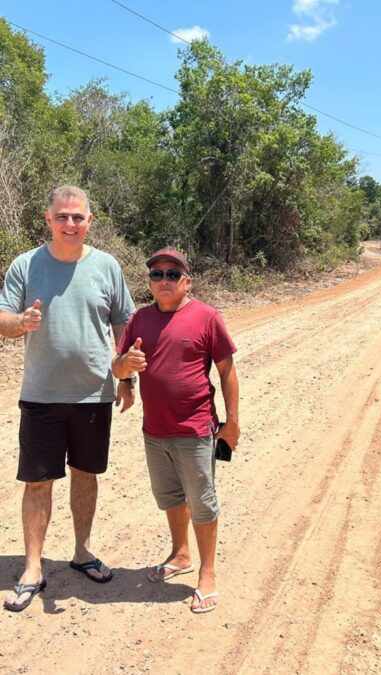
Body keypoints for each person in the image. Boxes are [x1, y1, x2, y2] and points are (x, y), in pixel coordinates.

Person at [0, 186, 135, 612]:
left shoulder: (107, 266)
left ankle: (82, 551)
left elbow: (124, 326)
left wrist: (128, 380)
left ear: (90, 221)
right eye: (62, 216)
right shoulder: (26, 265)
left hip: (94, 395)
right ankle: (33, 567)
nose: (70, 224)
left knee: (85, 475)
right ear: (48, 219)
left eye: (78, 217)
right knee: (37, 481)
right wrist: (21, 322)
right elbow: (2, 318)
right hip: (41, 395)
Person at [113, 246, 239, 614]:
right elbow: (119, 369)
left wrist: (231, 424)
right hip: (154, 431)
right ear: (149, 281)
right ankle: (180, 553)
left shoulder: (207, 317)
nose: (163, 280)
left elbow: (227, 372)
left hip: (196, 429)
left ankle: (208, 572)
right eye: (157, 274)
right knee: (169, 498)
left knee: (202, 502)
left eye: (172, 274)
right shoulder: (138, 320)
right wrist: (125, 365)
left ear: (187, 281)